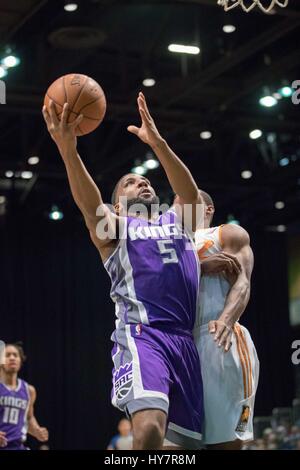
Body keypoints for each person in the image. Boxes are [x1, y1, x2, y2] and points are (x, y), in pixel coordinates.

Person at [42, 91, 204, 450]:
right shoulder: (115, 229)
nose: (142, 182)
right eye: (130, 182)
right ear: (117, 204)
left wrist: (158, 143)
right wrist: (69, 151)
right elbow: (88, 204)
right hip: (143, 336)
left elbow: (190, 195)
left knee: (183, 451)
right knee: (146, 433)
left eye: (143, 179)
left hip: (185, 342)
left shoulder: (177, 221)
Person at [192, 190, 259, 450]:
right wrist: (200, 266)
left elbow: (243, 281)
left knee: (229, 438)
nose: (181, 200)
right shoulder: (170, 241)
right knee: (183, 440)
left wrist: (226, 320)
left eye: (189, 198)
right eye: (177, 198)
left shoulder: (226, 233)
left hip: (217, 334)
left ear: (208, 209)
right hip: (179, 342)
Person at [0, 343, 49, 450]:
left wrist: (37, 431)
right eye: (7, 355)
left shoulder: (29, 390)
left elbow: (28, 418)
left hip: (18, 446)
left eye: (15, 355)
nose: (12, 358)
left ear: (20, 361)